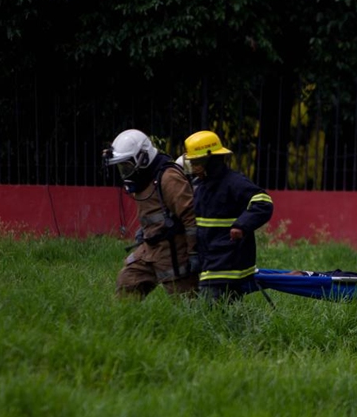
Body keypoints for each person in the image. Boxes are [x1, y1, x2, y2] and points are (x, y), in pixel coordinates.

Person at [103, 129, 200, 298]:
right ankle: (123, 323)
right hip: (149, 248)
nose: (124, 172)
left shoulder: (168, 177)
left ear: (143, 157)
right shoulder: (143, 178)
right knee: (128, 282)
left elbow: (191, 217)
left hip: (174, 251)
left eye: (127, 165)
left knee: (187, 304)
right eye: (121, 167)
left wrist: (194, 253)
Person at [184, 130, 274, 303]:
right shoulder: (200, 186)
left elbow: (263, 202)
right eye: (192, 162)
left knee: (209, 310)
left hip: (228, 262)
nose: (194, 167)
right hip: (210, 261)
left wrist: (242, 225)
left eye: (197, 162)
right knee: (223, 313)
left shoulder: (234, 182)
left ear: (210, 160)